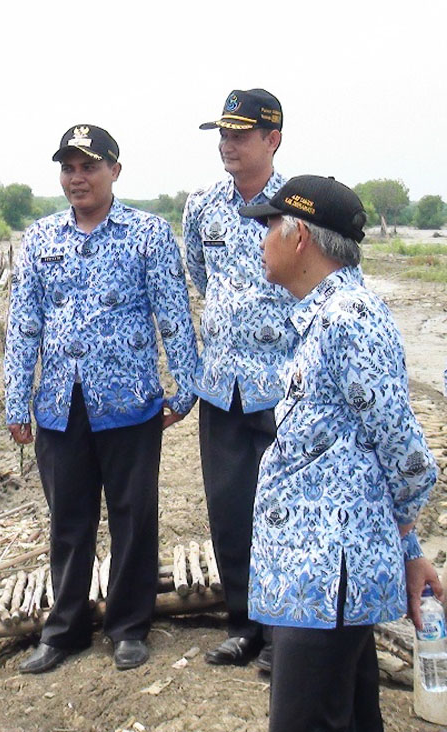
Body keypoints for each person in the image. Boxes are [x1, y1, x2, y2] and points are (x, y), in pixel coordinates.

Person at [241, 175, 441, 731]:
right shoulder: (324, 316)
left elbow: (406, 454)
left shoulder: (349, 318)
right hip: (322, 572)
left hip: (329, 576)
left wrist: (395, 539)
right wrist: (410, 548)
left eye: (268, 226)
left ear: (299, 235)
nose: (260, 240)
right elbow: (363, 455)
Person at [4, 124, 199, 674]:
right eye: (68, 167)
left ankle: (130, 627)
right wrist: (16, 400)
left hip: (131, 401)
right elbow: (24, 326)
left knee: (134, 516)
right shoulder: (40, 239)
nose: (77, 177)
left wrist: (184, 390)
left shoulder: (149, 234)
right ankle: (65, 630)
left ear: (115, 170)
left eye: (89, 166)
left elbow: (174, 317)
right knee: (69, 520)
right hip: (61, 404)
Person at [183, 89, 295, 671]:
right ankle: (243, 623)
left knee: (285, 507)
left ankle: (285, 632)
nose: (227, 144)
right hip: (222, 384)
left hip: (287, 389)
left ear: (272, 139)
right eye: (222, 134)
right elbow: (201, 277)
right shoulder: (202, 206)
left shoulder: (302, 206)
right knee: (231, 508)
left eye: (240, 134)